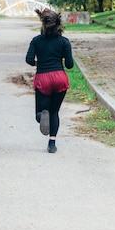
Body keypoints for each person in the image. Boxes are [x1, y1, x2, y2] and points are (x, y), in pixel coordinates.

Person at [25, 8, 73, 153]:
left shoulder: (36, 41)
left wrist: (38, 64)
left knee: (42, 110)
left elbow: (28, 60)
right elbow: (69, 65)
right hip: (59, 77)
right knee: (55, 112)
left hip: (43, 78)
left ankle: (41, 116)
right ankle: (52, 144)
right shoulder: (64, 42)